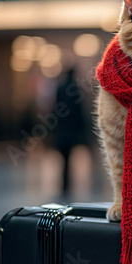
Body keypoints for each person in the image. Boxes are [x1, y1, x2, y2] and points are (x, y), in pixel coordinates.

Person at [54, 67, 88, 195]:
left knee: (64, 157)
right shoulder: (75, 90)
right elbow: (78, 113)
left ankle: (64, 183)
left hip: (62, 130)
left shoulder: (60, 89)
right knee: (68, 157)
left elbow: (55, 111)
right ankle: (67, 182)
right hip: (71, 130)